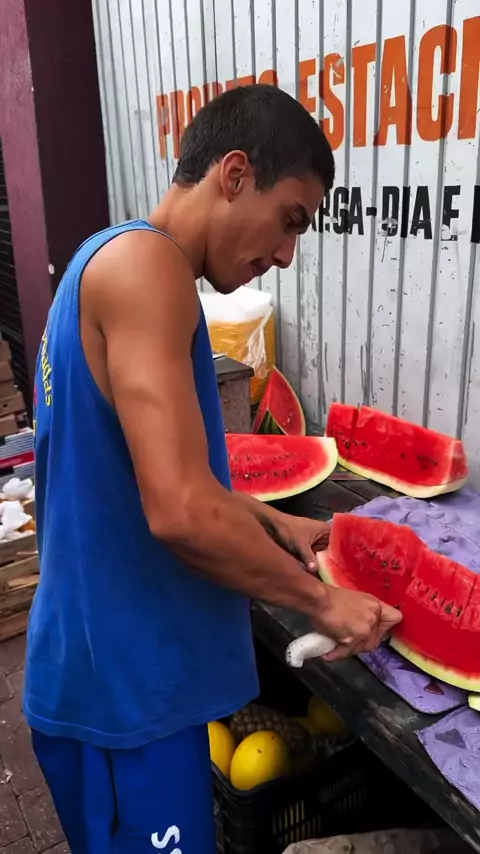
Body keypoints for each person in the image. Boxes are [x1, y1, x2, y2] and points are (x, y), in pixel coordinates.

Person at [25, 84, 401, 853]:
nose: (287, 254)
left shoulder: (107, 257)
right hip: (123, 701)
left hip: (110, 679)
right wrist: (322, 603)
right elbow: (180, 511)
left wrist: (272, 520)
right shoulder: (149, 269)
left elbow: (132, 477)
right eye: (290, 219)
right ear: (234, 175)